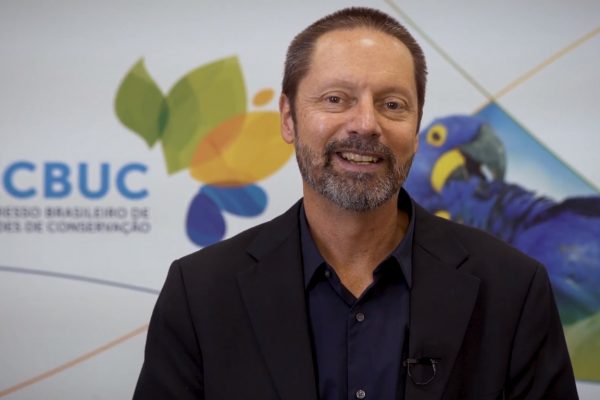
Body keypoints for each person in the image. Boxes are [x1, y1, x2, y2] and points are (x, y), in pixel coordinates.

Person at [133, 7, 578, 400]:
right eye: (335, 99)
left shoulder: (513, 289)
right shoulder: (200, 293)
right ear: (288, 118)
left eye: (392, 104)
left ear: (416, 129)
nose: (366, 124)